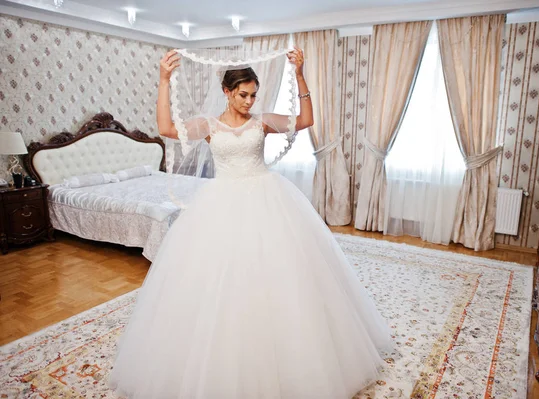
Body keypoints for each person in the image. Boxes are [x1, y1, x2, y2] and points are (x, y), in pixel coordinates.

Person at [109, 47, 392, 399]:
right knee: (221, 279)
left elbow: (305, 121)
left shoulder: (262, 122)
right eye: (243, 94)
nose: (249, 101)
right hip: (221, 203)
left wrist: (300, 75)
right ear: (227, 92)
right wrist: (164, 80)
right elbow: (166, 128)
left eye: (254, 94)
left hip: (268, 198)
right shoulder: (209, 126)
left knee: (283, 276)